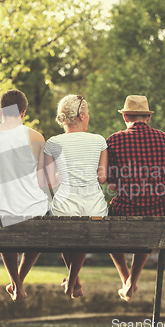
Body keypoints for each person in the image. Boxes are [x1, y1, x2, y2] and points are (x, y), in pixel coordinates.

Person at [0, 89, 50, 301]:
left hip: (0, 209)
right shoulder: (36, 136)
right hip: (33, 207)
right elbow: (42, 181)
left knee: (6, 220)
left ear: (0, 111)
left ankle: (16, 283)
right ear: (23, 112)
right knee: (39, 222)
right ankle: (18, 282)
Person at [106, 95, 165, 302]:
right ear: (148, 118)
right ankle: (131, 281)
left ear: (125, 116)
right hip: (158, 211)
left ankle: (126, 279)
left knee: (107, 228)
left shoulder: (114, 140)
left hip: (126, 208)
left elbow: (111, 184)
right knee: (148, 215)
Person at [44, 95, 108, 298]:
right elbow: (102, 177)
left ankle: (73, 283)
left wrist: (60, 175)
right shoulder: (99, 140)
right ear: (81, 116)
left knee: (66, 227)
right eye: (87, 115)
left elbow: (48, 183)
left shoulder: (53, 142)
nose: (88, 118)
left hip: (64, 207)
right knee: (82, 229)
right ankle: (74, 283)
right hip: (95, 208)